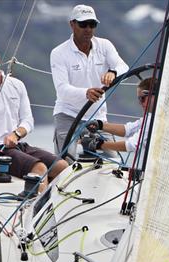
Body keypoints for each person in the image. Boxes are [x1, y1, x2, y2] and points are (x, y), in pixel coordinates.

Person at [0, 37, 68, 193]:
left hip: (18, 145)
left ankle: (48, 201)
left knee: (62, 167)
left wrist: (16, 134)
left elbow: (28, 120)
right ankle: (36, 210)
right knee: (40, 168)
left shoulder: (17, 85)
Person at [50, 4, 129, 156]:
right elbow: (62, 90)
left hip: (97, 118)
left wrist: (113, 72)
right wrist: (86, 93)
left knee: (111, 165)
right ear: (72, 24)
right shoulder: (58, 53)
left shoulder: (105, 45)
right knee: (65, 163)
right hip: (67, 115)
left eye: (92, 24)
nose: (88, 29)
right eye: (83, 24)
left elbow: (123, 66)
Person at [81, 76, 155, 161]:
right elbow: (128, 129)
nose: (139, 102)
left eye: (142, 98)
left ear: (154, 95)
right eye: (139, 99)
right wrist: (100, 124)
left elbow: (131, 145)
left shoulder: (155, 120)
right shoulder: (150, 117)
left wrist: (98, 145)